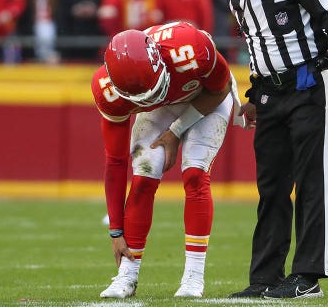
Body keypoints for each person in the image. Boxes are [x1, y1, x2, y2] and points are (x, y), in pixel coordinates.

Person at [92, 21, 243, 299]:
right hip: (161, 107)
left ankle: (193, 277)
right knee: (143, 176)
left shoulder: (190, 47)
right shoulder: (107, 89)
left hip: (204, 98)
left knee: (195, 174)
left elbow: (219, 90)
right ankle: (127, 274)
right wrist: (115, 232)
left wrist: (175, 132)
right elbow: (115, 163)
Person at [228, 0, 328, 299]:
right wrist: (256, 95)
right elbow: (261, 45)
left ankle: (308, 276)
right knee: (271, 188)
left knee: (312, 181)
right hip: (271, 94)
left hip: (309, 84)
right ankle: (266, 277)